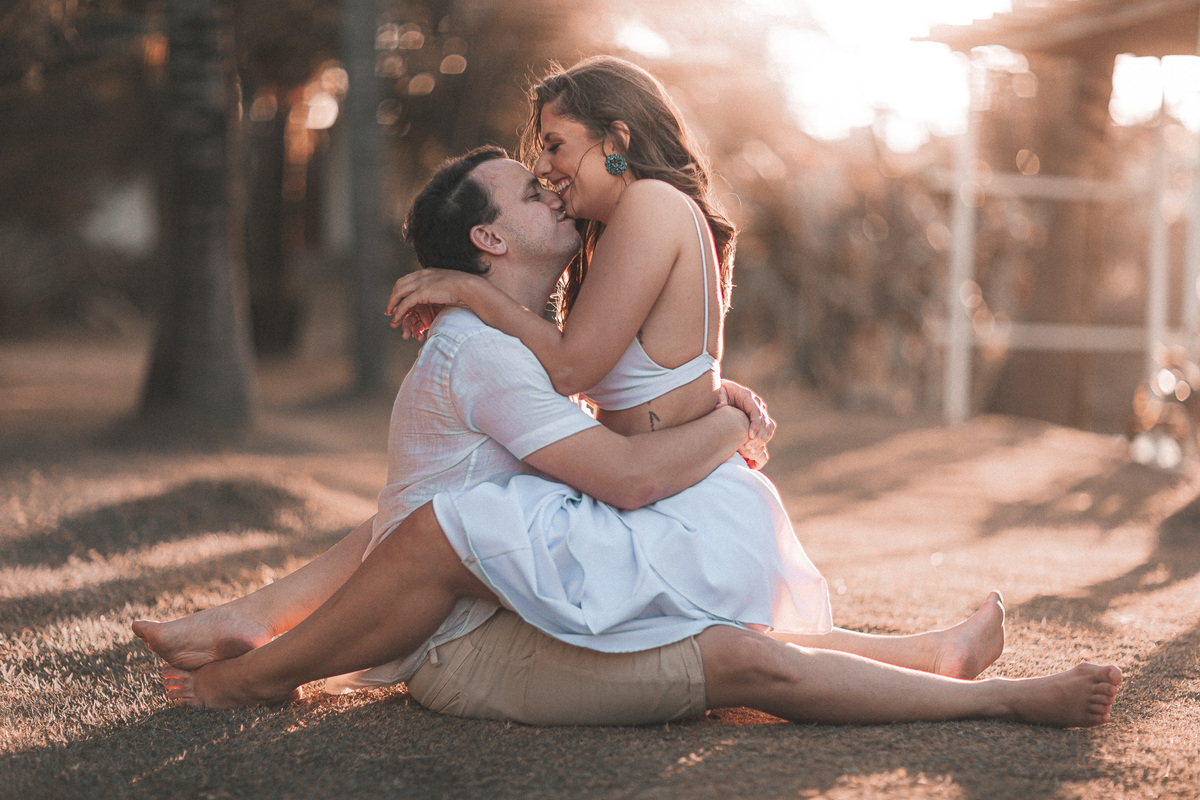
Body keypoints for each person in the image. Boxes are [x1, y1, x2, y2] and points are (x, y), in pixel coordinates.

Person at [139, 146, 1121, 728]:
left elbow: (434, 506)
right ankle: (1000, 700)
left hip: (499, 604)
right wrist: (735, 420)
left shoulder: (521, 345)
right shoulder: (482, 351)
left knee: (717, 633)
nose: (554, 189)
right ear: (488, 240)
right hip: (469, 649)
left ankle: (928, 651)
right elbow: (627, 480)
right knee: (738, 660)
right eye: (531, 189)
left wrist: (708, 399)